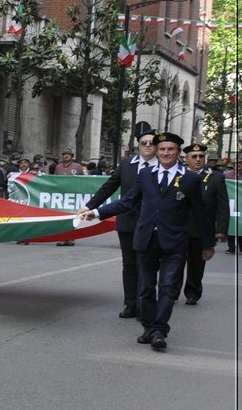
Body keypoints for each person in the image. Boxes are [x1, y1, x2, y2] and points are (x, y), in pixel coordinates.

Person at [79, 131, 206, 352]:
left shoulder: (190, 178)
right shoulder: (146, 174)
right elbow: (127, 201)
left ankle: (159, 330)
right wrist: (97, 212)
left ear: (178, 153)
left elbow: (200, 213)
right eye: (163, 149)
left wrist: (207, 244)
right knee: (146, 289)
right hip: (146, 240)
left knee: (166, 288)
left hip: (174, 243)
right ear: (157, 151)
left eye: (171, 149)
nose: (166, 153)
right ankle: (149, 326)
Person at [85, 123, 158, 321]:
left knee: (147, 264)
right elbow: (109, 187)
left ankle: (145, 304)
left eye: (152, 143)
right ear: (138, 145)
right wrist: (90, 206)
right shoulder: (126, 164)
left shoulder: (162, 166)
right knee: (130, 264)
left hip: (152, 223)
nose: (148, 146)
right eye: (144, 143)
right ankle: (130, 303)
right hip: (127, 222)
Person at [179, 142, 229, 305]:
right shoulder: (178, 175)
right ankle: (171, 292)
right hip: (178, 228)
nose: (198, 159)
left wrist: (221, 229)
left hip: (201, 229)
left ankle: (193, 293)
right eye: (194, 157)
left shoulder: (216, 178)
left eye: (201, 156)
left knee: (196, 264)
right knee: (175, 262)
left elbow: (222, 206)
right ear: (187, 159)